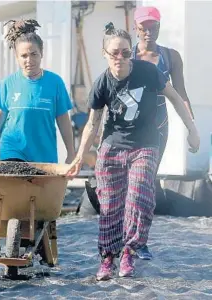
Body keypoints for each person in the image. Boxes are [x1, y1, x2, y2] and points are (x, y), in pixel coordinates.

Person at [66, 22, 200, 281]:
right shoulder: (102, 83)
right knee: (110, 206)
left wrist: (191, 128)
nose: (120, 58)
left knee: (139, 196)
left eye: (126, 53)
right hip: (112, 147)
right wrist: (80, 157)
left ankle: (129, 250)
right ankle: (107, 257)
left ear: (132, 53)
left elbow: (173, 96)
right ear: (105, 53)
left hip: (145, 145)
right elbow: (93, 123)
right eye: (114, 53)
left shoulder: (148, 72)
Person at [132, 6, 195, 259]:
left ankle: (140, 240)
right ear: (136, 29)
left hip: (157, 127)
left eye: (153, 27)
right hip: (129, 127)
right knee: (129, 185)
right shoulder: (127, 55)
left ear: (159, 27)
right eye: (143, 28)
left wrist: (192, 129)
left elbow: (181, 94)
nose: (148, 32)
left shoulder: (171, 57)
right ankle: (126, 237)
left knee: (145, 184)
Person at [0, 19, 75, 165]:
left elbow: (63, 119)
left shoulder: (55, 83)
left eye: (34, 54)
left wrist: (71, 153)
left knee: (39, 188)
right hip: (12, 150)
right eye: (24, 56)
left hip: (44, 154)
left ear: (41, 53)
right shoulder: (7, 83)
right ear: (17, 57)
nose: (29, 60)